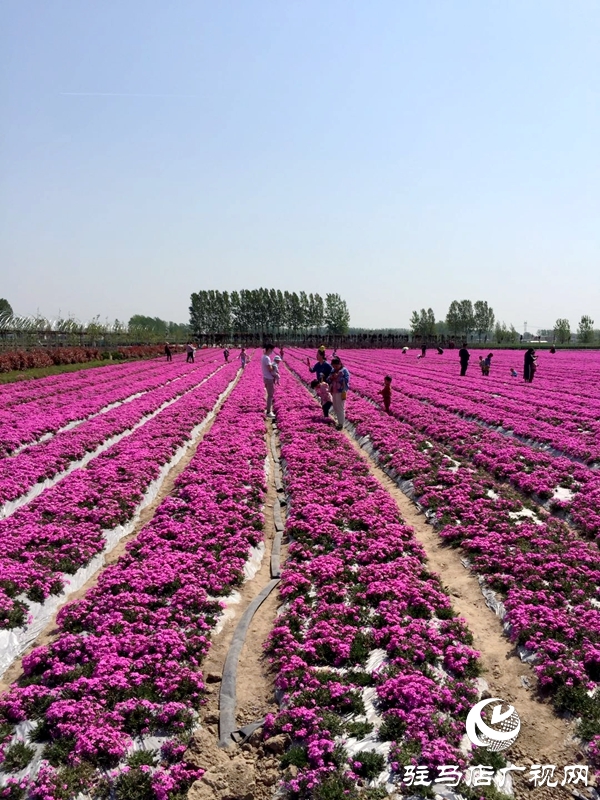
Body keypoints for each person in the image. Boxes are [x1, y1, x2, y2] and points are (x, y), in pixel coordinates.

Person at [328, 356, 350, 430]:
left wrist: (338, 377)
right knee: (335, 407)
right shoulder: (333, 370)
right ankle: (339, 421)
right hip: (334, 391)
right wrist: (331, 377)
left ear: (340, 364)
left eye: (336, 365)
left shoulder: (344, 370)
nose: (335, 367)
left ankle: (341, 424)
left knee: (340, 407)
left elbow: (347, 379)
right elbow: (328, 378)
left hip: (341, 391)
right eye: (333, 366)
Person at [262, 344, 276, 417]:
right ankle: (268, 412)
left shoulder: (263, 357)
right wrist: (274, 367)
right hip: (269, 378)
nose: (272, 352)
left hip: (265, 377)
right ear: (269, 349)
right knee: (270, 395)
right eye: (272, 350)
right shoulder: (267, 358)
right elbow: (269, 368)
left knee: (269, 394)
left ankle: (268, 410)